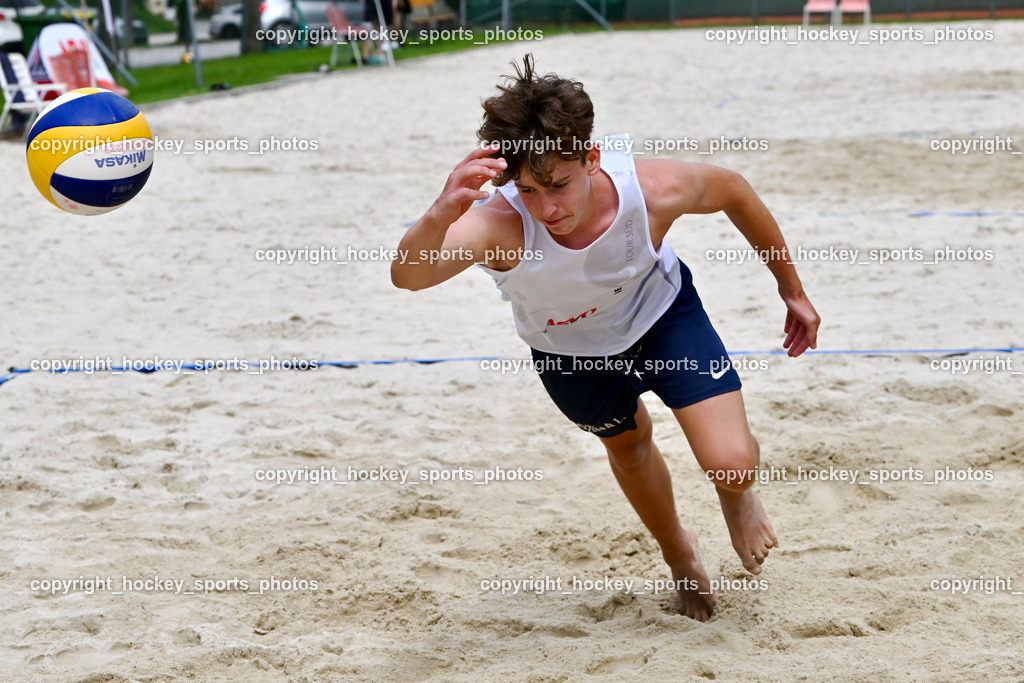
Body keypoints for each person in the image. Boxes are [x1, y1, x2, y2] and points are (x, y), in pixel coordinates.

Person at [391, 55, 820, 621]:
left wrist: (791, 289)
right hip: (569, 350)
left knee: (732, 465)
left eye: (559, 185)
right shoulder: (500, 223)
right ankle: (679, 552)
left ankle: (735, 497)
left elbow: (735, 192)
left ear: (591, 159)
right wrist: (439, 214)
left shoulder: (651, 188)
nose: (547, 208)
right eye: (528, 190)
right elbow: (410, 276)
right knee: (629, 446)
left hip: (661, 315)